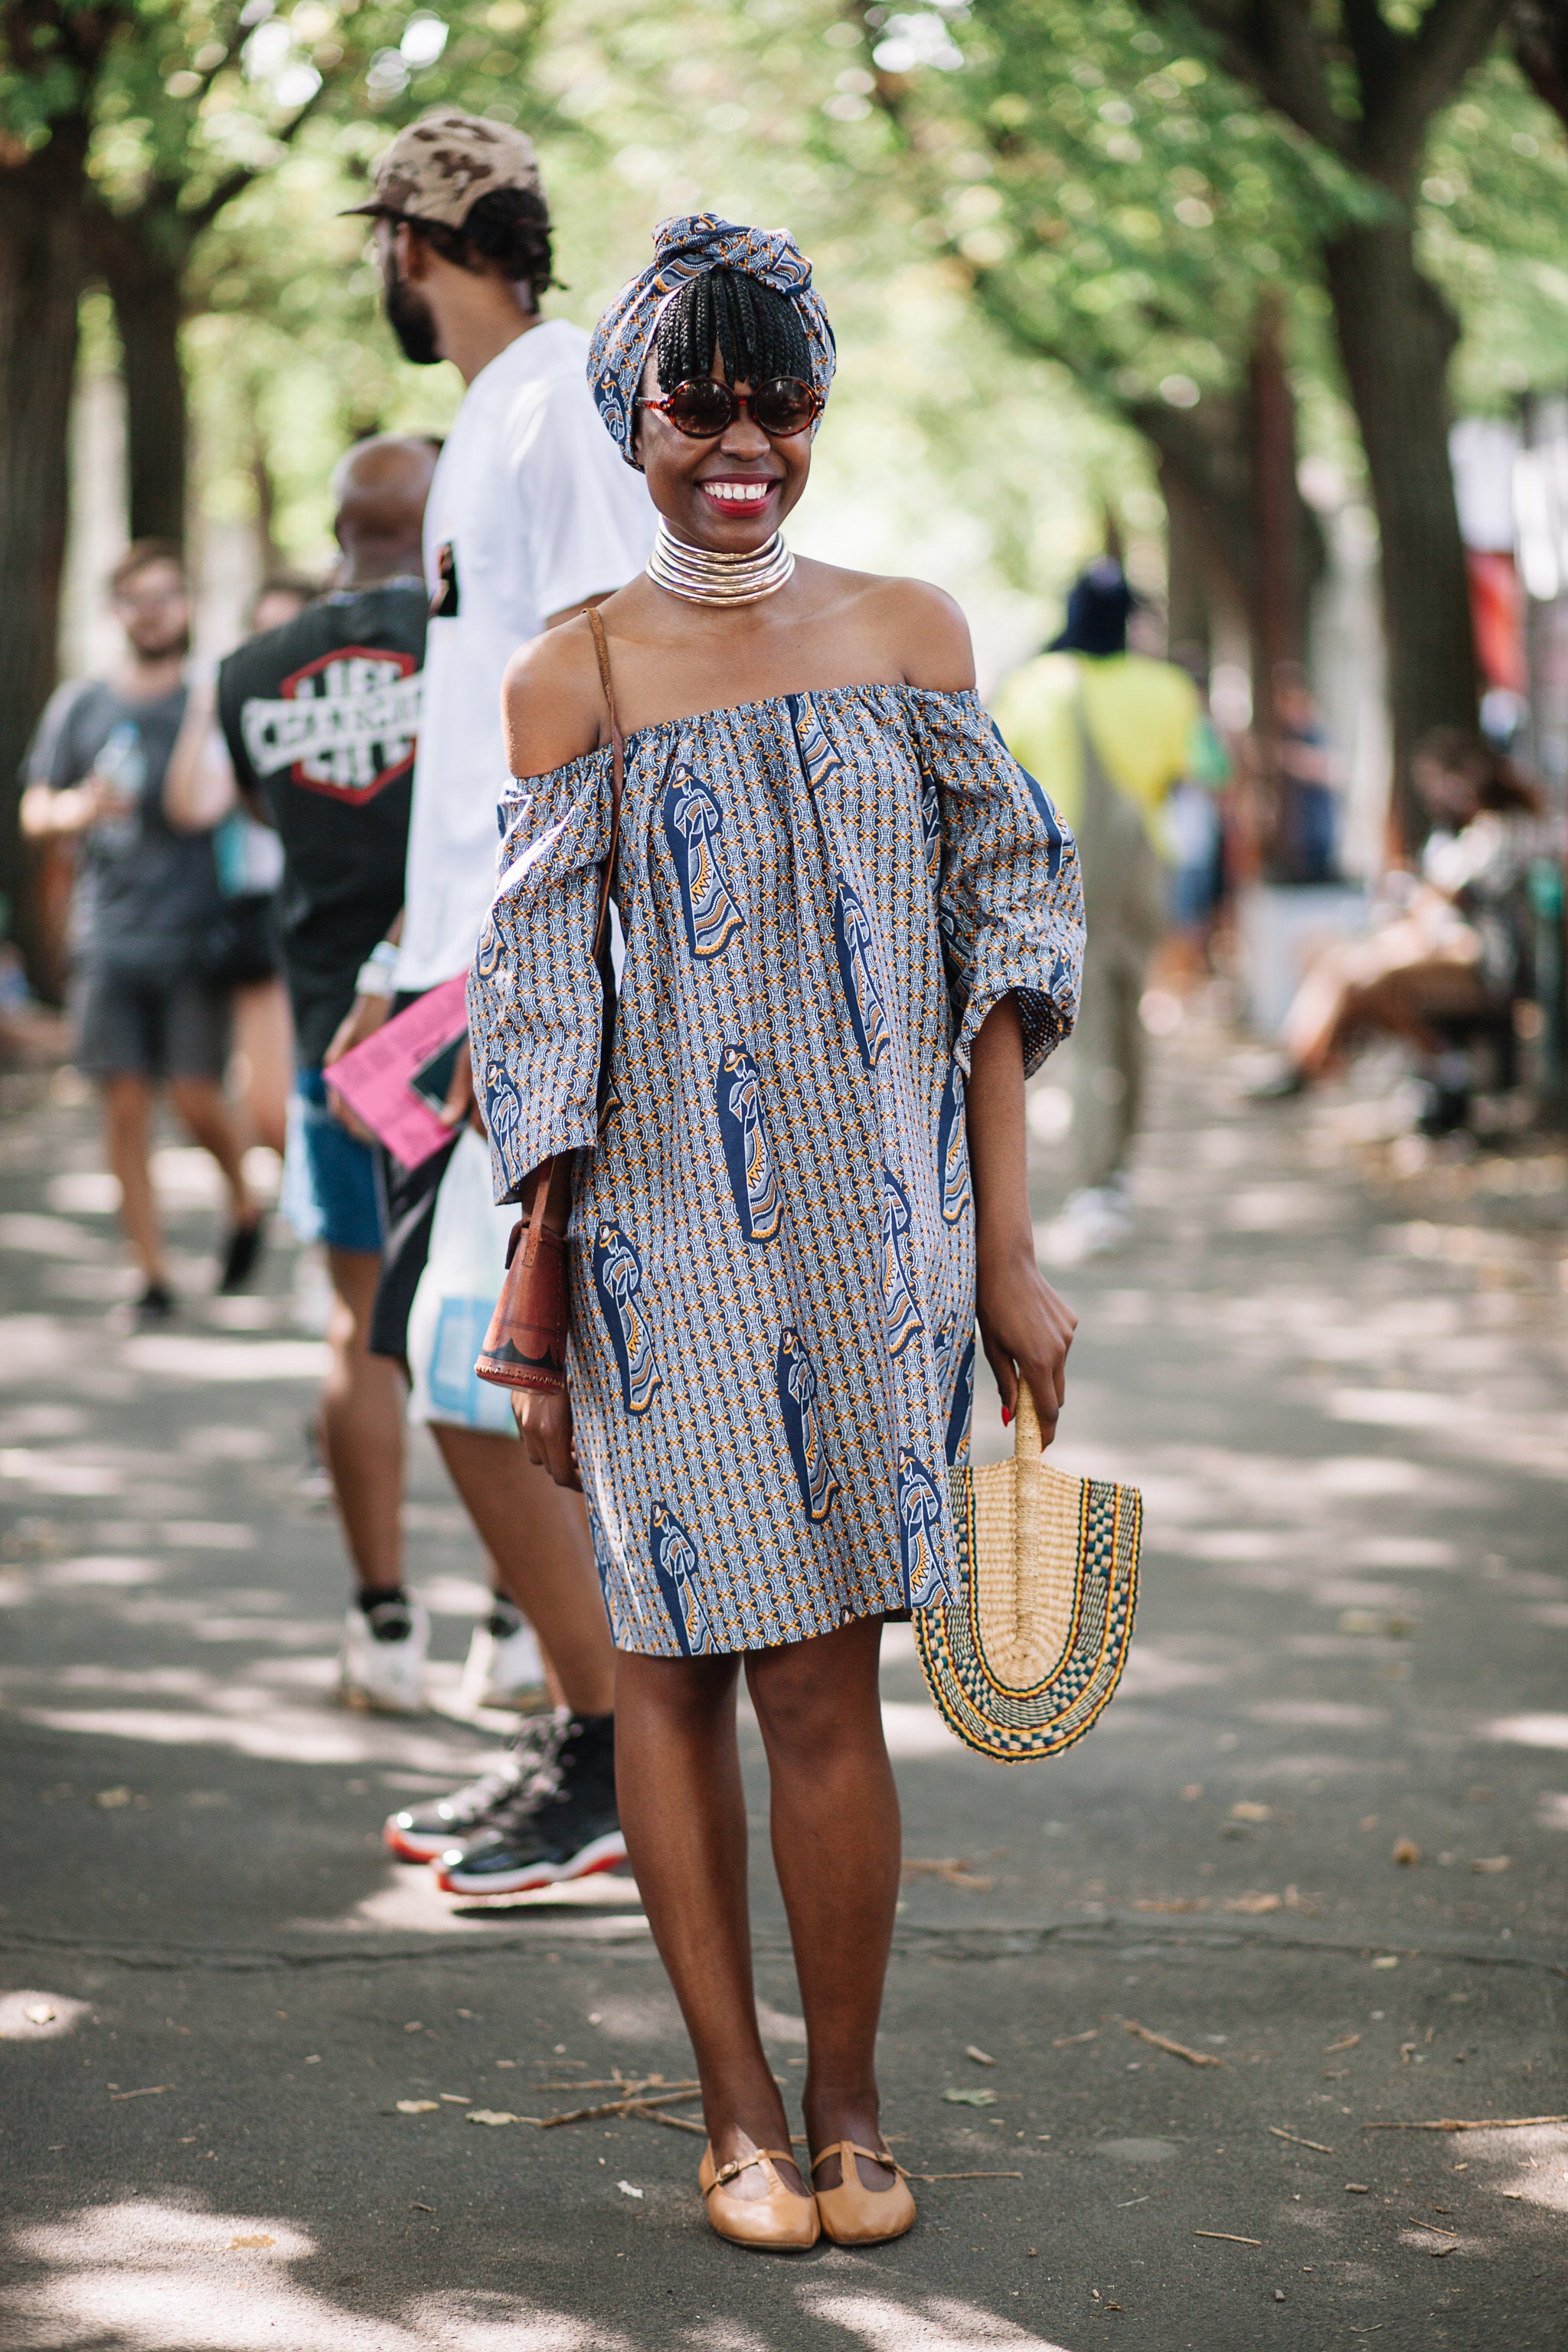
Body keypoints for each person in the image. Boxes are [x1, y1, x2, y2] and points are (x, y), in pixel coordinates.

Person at [467, 215, 1083, 2250]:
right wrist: (534, 1315)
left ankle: (848, 2100)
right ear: (633, 415)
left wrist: (1004, 1251)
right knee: (668, 1667)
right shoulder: (579, 672)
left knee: (826, 1684)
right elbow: (542, 1016)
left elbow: (1001, 951)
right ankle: (730, 2107)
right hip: (654, 1245)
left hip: (871, 1234)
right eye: (700, 404)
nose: (745, 444)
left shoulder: (911, 634)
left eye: (783, 403)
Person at [327, 110, 655, 1877]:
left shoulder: (559, 403)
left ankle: (617, 1749)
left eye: (381, 240)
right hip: (454, 968)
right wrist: (398, 968)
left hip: (530, 976)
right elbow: (476, 744)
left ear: (412, 245)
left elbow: (615, 684)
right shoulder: (490, 415)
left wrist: (523, 984)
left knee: (469, 1360)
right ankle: (590, 1731)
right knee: (462, 1358)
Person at [167, 435, 525, 1715]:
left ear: (338, 527)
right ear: (444, 523)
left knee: (356, 1324)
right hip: (460, 1023)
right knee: (496, 1317)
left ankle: (381, 1626)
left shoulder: (249, 671)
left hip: (337, 1037)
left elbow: (264, 820)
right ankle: (515, 1625)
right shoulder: (473, 641)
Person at [20, 541, 263, 1325]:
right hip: (107, 937)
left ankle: (242, 1199)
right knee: (123, 1107)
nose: (153, 612)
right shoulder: (82, 706)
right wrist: (78, 809)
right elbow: (35, 810)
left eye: (166, 596)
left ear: (185, 607)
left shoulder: (207, 696)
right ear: (116, 611)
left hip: (196, 934)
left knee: (195, 1096)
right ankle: (150, 1272)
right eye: (137, 598)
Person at [991, 562, 1198, 1259]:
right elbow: (1192, 770)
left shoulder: (1036, 686)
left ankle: (1094, 1178)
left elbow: (1001, 775)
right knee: (1130, 1011)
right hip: (1147, 867)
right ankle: (1123, 1167)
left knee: (1082, 1021)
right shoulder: (1168, 689)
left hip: (1067, 872)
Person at [1253, 728, 1544, 1126]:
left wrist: (1416, 894)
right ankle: (1310, 1060)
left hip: (1481, 959)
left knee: (1364, 976)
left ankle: (1320, 1065)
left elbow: (1454, 897)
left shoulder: (1500, 831)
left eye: (1437, 782)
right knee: (1326, 956)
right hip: (1436, 944)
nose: (1432, 795)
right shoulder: (1453, 831)